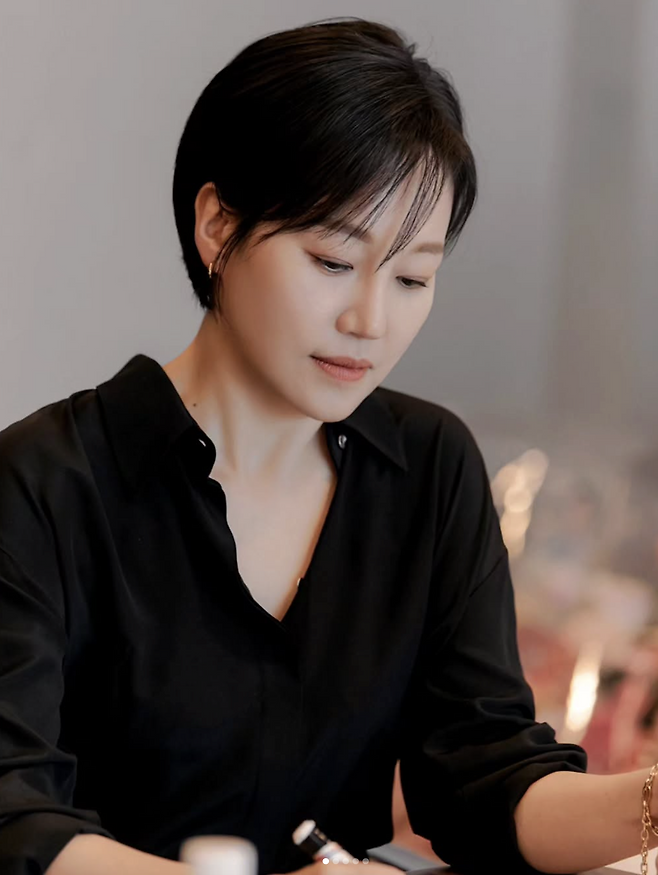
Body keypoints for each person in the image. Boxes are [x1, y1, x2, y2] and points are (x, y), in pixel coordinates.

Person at [0, 15, 657, 875]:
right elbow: (13, 818)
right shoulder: (43, 485)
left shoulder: (429, 468)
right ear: (218, 226)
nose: (370, 320)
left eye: (413, 277)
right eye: (332, 261)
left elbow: (488, 777)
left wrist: (649, 802)